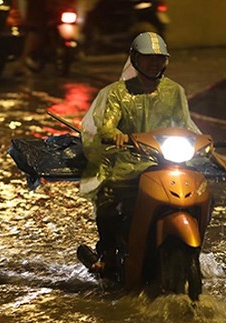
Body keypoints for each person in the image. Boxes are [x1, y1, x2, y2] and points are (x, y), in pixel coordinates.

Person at [75, 32, 200, 275]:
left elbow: (185, 124)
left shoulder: (175, 91)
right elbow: (106, 125)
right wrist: (116, 135)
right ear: (134, 59)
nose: (154, 63)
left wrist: (202, 143)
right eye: (148, 58)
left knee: (203, 192)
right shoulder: (116, 93)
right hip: (127, 161)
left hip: (165, 159)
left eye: (159, 58)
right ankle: (109, 254)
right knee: (108, 197)